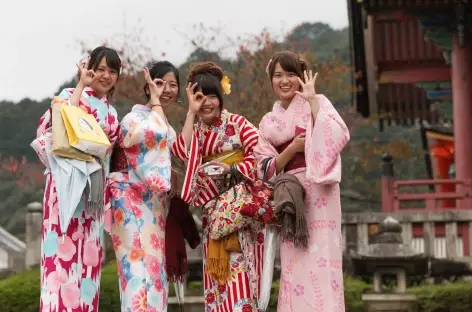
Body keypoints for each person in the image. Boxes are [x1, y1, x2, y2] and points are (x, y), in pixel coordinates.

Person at [254, 51, 350, 311]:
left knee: (322, 260)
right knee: (294, 263)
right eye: (277, 75)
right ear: (271, 80)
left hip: (319, 191)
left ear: (301, 77)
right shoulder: (267, 122)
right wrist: (292, 149)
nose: (284, 81)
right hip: (289, 196)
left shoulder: (317, 102)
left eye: (290, 74)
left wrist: (313, 104)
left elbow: (338, 136)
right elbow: (262, 169)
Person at [31, 46, 121, 312]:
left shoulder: (113, 115)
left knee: (89, 263)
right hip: (65, 187)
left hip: (92, 193)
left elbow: (109, 157)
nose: (106, 75)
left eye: (112, 71)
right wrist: (81, 86)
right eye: (100, 68)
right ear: (89, 67)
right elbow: (52, 128)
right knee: (60, 259)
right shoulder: (69, 95)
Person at [172, 62, 264, 311]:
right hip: (213, 213)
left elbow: (260, 156)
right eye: (200, 98)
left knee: (241, 274)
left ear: (221, 97)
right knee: (216, 282)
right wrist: (190, 114)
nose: (208, 103)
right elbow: (181, 151)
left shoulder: (238, 123)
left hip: (239, 212)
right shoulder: (197, 131)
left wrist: (232, 170)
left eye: (212, 96)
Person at [108, 61, 180, 311]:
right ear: (148, 87)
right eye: (160, 84)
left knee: (154, 271)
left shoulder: (162, 121)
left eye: (173, 85)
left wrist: (191, 112)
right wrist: (157, 102)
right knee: (137, 271)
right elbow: (156, 137)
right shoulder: (133, 119)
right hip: (130, 201)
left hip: (154, 206)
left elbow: (177, 147)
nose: (167, 90)